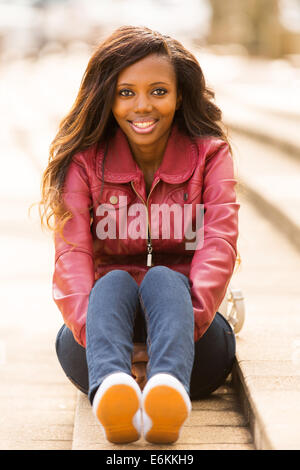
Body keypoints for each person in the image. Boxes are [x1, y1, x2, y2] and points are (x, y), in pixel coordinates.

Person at [39, 25, 239, 445]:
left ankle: (167, 387)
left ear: (179, 94)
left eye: (158, 91)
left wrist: (187, 328)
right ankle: (115, 389)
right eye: (126, 92)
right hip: (101, 341)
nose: (142, 106)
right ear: (106, 96)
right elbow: (71, 255)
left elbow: (218, 244)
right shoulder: (84, 163)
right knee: (111, 282)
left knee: (167, 279)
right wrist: (92, 335)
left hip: (193, 342)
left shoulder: (210, 155)